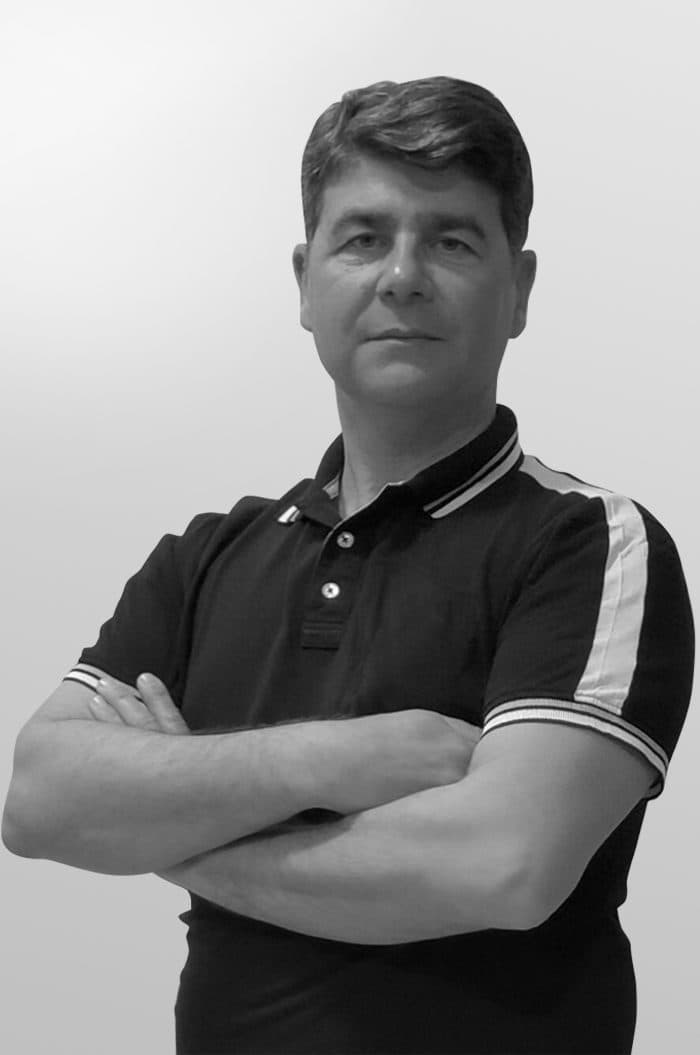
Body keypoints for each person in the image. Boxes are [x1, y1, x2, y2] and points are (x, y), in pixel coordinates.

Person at [2, 76, 694, 1055]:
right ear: (305, 279)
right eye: (363, 237)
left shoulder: (590, 545)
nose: (402, 275)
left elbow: (501, 863)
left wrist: (175, 828)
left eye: (451, 241)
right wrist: (338, 757)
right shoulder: (208, 556)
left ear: (520, 288)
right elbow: (39, 799)